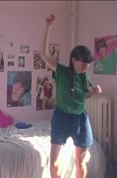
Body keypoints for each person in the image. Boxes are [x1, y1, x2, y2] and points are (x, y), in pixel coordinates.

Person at [40, 14, 102, 178]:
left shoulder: (84, 76)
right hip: (61, 117)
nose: (85, 67)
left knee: (80, 163)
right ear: (73, 60)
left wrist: (93, 92)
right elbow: (43, 54)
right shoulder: (61, 71)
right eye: (83, 64)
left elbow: (84, 96)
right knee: (54, 164)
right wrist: (48, 27)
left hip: (80, 119)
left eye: (88, 65)